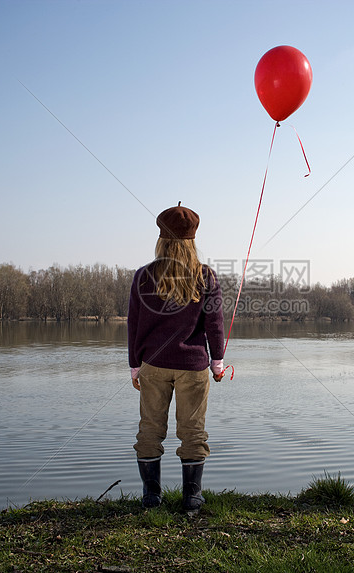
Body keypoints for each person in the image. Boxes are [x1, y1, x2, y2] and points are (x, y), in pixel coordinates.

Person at [127, 202, 226, 514]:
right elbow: (215, 324)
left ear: (161, 239)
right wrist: (217, 362)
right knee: (193, 431)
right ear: (192, 239)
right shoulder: (206, 276)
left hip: (152, 366)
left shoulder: (144, 276)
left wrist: (134, 365)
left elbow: (134, 324)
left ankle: (151, 499)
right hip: (193, 368)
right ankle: (192, 499)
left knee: (150, 429)